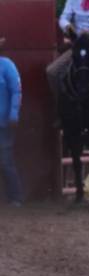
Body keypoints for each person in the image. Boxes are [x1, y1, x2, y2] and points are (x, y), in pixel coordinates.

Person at [0, 37, 22, 207]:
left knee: (5, 160)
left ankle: (16, 197)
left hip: (4, 122)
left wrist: (13, 114)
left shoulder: (6, 65)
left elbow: (16, 90)